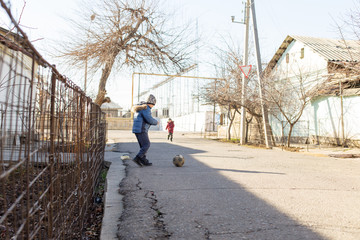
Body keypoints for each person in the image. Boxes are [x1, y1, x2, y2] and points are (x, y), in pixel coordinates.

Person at [131, 94, 158, 167]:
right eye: (154, 105)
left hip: (137, 129)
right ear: (151, 103)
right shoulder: (146, 108)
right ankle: (138, 158)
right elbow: (149, 119)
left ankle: (143, 160)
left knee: (143, 146)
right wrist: (156, 122)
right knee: (147, 144)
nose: (153, 107)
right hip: (141, 129)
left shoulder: (140, 107)